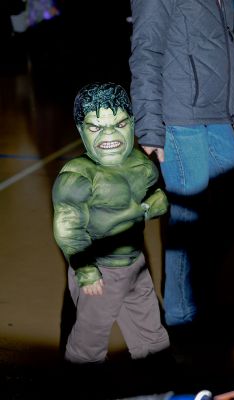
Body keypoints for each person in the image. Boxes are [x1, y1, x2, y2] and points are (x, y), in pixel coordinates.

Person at [129, 0, 234, 327]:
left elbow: (223, 45)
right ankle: (181, 315)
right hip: (179, 117)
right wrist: (149, 128)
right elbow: (146, 52)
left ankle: (198, 292)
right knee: (188, 216)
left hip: (215, 114)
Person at [52, 82, 170, 363]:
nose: (109, 134)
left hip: (136, 264)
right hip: (100, 272)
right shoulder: (78, 176)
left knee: (152, 335)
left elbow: (155, 193)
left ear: (131, 123)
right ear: (81, 130)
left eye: (119, 123)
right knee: (88, 344)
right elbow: (68, 227)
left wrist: (156, 203)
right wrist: (86, 270)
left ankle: (159, 384)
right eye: (96, 127)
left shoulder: (139, 162)